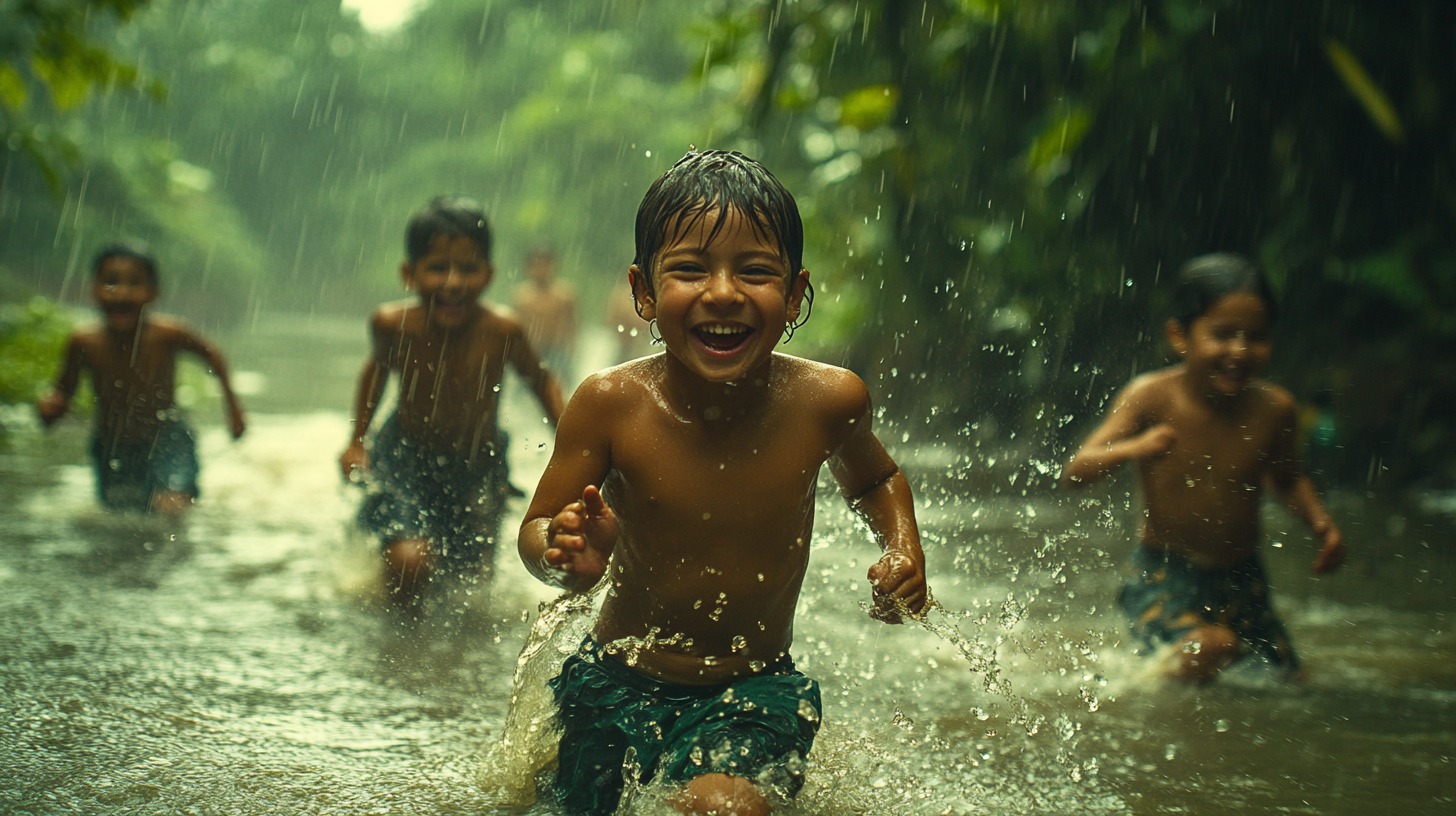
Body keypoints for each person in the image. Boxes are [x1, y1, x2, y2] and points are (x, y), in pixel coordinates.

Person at [517, 150, 929, 816]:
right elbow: (536, 531)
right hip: (614, 685)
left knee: (727, 810)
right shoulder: (610, 404)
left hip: (754, 693)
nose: (723, 292)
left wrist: (905, 548)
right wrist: (564, 554)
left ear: (794, 295)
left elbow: (876, 477)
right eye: (688, 269)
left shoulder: (827, 401)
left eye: (756, 271)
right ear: (643, 291)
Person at [1061, 252, 1346, 684]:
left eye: (1257, 336)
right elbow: (1076, 470)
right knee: (1213, 648)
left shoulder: (1275, 409)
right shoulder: (1152, 397)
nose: (1240, 351)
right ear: (1180, 336)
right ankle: (1147, 700)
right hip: (1163, 571)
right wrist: (1134, 447)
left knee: (1292, 684)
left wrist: (1322, 525)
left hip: (1242, 575)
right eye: (1223, 334)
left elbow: (1286, 479)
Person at [339, 196, 565, 614]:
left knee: (472, 584)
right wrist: (357, 440)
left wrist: (575, 443)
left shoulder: (502, 331)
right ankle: (396, 650)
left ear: (489, 274)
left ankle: (451, 662)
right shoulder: (394, 325)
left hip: (478, 460)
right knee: (409, 562)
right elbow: (375, 374)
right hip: (405, 454)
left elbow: (541, 380)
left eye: (468, 268)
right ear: (410, 273)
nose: (454, 283)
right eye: (438, 268)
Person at [36, 240, 247, 516]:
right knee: (123, 516)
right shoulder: (85, 342)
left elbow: (214, 356)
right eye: (111, 282)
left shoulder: (167, 334)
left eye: (135, 283)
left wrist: (233, 410)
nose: (122, 292)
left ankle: (176, 554)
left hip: (168, 437)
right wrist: (52, 407)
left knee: (171, 505)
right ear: (94, 289)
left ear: (154, 292)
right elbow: (65, 389)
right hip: (112, 441)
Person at [511, 247, 579, 388]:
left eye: (545, 265)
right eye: (537, 265)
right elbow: (516, 328)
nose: (541, 270)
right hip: (533, 351)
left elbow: (573, 326)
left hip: (558, 352)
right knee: (524, 390)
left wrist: (573, 351)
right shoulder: (522, 297)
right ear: (528, 267)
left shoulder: (564, 295)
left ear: (554, 266)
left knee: (562, 388)